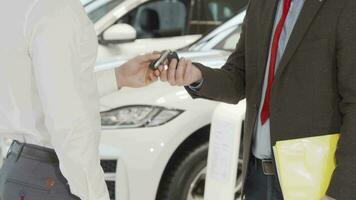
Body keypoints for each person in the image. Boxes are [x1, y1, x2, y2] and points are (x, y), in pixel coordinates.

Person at [156, 0, 356, 199]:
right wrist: (196, 76)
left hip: (315, 182)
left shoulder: (344, 5)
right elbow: (239, 77)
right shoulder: (261, 4)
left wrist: (340, 191)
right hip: (256, 178)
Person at [0, 0, 159, 200]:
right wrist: (95, 195)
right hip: (53, 177)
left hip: (21, 168)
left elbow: (50, 89)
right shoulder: (56, 8)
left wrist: (118, 77)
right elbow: (67, 118)